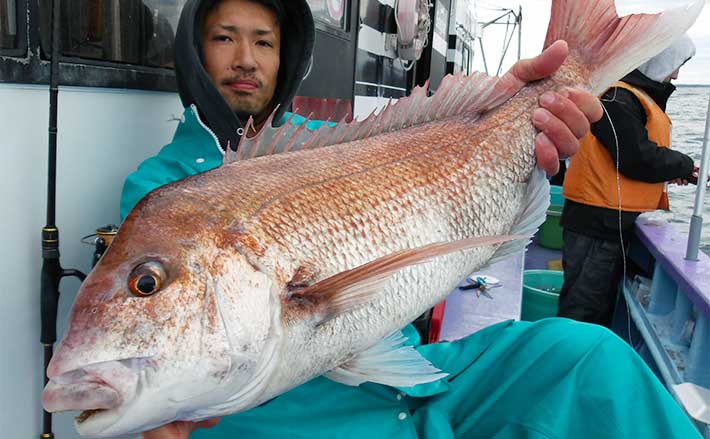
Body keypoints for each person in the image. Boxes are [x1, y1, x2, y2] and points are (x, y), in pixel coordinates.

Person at [119, 1, 700, 438]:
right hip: (309, 421)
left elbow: (439, 194)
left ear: (285, 56)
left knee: (588, 354)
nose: (246, 59)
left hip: (422, 383)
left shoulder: (327, 146)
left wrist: (527, 122)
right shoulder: (164, 192)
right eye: (224, 38)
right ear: (195, 52)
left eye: (264, 43)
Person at [557, 35, 698, 327]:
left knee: (594, 306)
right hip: (597, 223)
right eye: (675, 65)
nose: (677, 74)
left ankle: (578, 360)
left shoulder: (630, 96)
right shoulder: (617, 96)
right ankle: (566, 365)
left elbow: (631, 153)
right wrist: (682, 163)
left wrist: (676, 171)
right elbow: (634, 158)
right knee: (584, 309)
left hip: (607, 221)